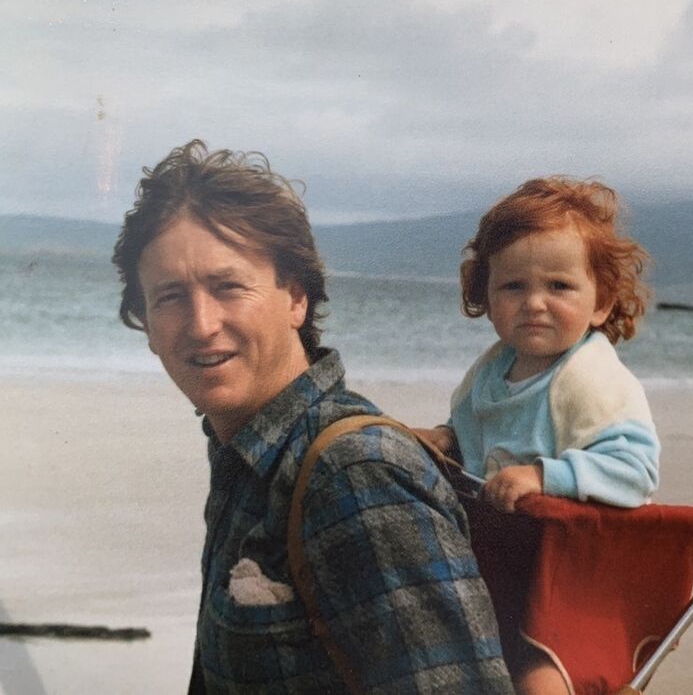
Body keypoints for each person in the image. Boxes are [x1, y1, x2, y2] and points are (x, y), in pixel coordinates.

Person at [113, 140, 513, 694]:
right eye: (171, 297)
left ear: (295, 298)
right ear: (148, 328)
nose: (201, 323)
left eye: (227, 286)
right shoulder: (245, 455)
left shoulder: (355, 471)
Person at [414, 177, 660, 695]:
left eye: (559, 286)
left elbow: (636, 470)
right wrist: (446, 439)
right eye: (513, 286)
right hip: (501, 566)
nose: (534, 303)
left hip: (575, 584)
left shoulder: (590, 378)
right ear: (483, 294)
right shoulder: (492, 372)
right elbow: (477, 434)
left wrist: (544, 476)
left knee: (538, 681)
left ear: (600, 302)